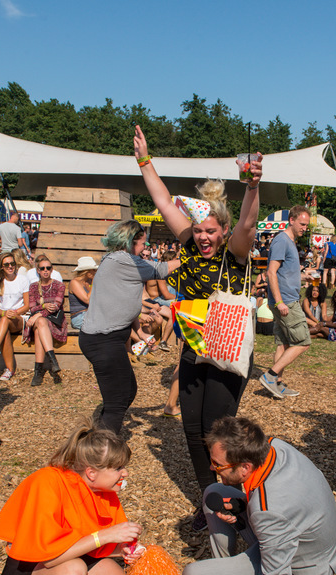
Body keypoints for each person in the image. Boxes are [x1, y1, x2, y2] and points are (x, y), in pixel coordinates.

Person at [134, 124, 261, 530]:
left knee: (219, 430)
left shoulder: (235, 252)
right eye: (200, 230)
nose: (204, 237)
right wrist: (144, 159)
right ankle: (211, 501)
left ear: (222, 232)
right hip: (194, 346)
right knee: (192, 430)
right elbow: (160, 197)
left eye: (211, 231)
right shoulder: (188, 239)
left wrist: (252, 187)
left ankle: (236, 501)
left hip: (226, 348)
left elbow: (247, 224)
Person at [182, 416, 336, 575]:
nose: (212, 467)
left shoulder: (268, 510)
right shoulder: (274, 446)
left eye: (218, 465)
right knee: (214, 492)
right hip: (302, 543)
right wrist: (241, 512)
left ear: (245, 467)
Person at [0, 422, 144, 575]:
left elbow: (98, 546)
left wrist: (123, 551)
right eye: (118, 468)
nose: (125, 473)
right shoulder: (47, 482)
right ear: (91, 472)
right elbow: (51, 558)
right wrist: (107, 535)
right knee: (73, 573)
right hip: (31, 571)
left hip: (77, 560)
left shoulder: (104, 490)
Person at [79, 220, 173, 434]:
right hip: (103, 340)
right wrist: (191, 257)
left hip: (109, 338)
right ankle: (102, 451)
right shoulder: (122, 260)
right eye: (142, 243)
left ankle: (98, 435)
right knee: (118, 400)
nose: (145, 248)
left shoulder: (116, 260)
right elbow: (161, 269)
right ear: (130, 242)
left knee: (128, 391)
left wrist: (140, 334)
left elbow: (121, 302)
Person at [260, 206, 312, 400]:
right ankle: (270, 375)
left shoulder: (289, 241)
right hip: (286, 302)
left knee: (283, 344)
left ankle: (277, 384)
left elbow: (284, 272)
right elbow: (271, 272)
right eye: (302, 224)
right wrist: (280, 301)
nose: (304, 228)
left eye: (306, 225)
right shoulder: (282, 240)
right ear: (291, 220)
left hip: (286, 299)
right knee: (303, 342)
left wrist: (303, 277)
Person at [0, 252, 31, 382]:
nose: (10, 266)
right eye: (7, 264)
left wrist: (13, 313)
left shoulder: (22, 280)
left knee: (4, 321)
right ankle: (9, 370)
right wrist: (3, 313)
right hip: (1, 317)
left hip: (18, 317)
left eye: (12, 264)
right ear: (2, 267)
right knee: (3, 327)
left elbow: (27, 305)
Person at [23, 254, 68, 386]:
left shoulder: (59, 285)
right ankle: (52, 360)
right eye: (42, 268)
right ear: (38, 270)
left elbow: (55, 307)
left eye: (48, 268)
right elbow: (32, 308)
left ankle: (38, 372)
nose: (45, 270)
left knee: (39, 324)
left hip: (55, 321)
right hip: (42, 322)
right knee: (40, 324)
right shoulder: (33, 287)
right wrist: (42, 307)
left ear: (52, 269)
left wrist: (38, 314)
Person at [67, 256, 97, 331]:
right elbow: (88, 300)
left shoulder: (89, 282)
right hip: (79, 317)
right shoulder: (74, 282)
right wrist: (94, 281)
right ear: (87, 271)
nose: (95, 272)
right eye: (94, 270)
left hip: (91, 314)